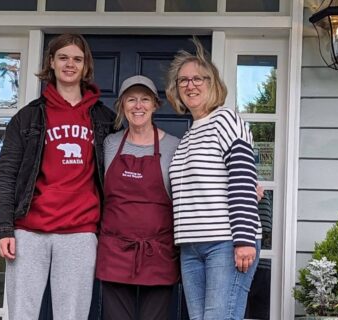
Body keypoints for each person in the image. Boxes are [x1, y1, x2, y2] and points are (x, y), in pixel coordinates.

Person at [0, 33, 117, 320]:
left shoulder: (104, 120)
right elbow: (7, 174)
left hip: (80, 233)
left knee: (71, 316)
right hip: (29, 231)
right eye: (63, 58)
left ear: (86, 67)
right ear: (51, 62)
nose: (69, 64)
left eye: (77, 59)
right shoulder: (28, 117)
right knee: (22, 314)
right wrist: (3, 229)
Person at [166, 38, 262, 320]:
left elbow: (242, 177)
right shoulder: (189, 135)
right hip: (191, 246)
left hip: (226, 242)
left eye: (198, 78)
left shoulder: (226, 120)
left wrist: (244, 238)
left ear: (213, 84)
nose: (190, 85)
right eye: (183, 80)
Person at [95, 75, 180, 320]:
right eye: (131, 100)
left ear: (155, 104)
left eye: (145, 99)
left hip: (159, 251)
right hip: (115, 251)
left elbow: (198, 181)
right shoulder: (109, 144)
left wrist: (245, 182)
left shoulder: (175, 146)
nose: (138, 106)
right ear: (122, 105)